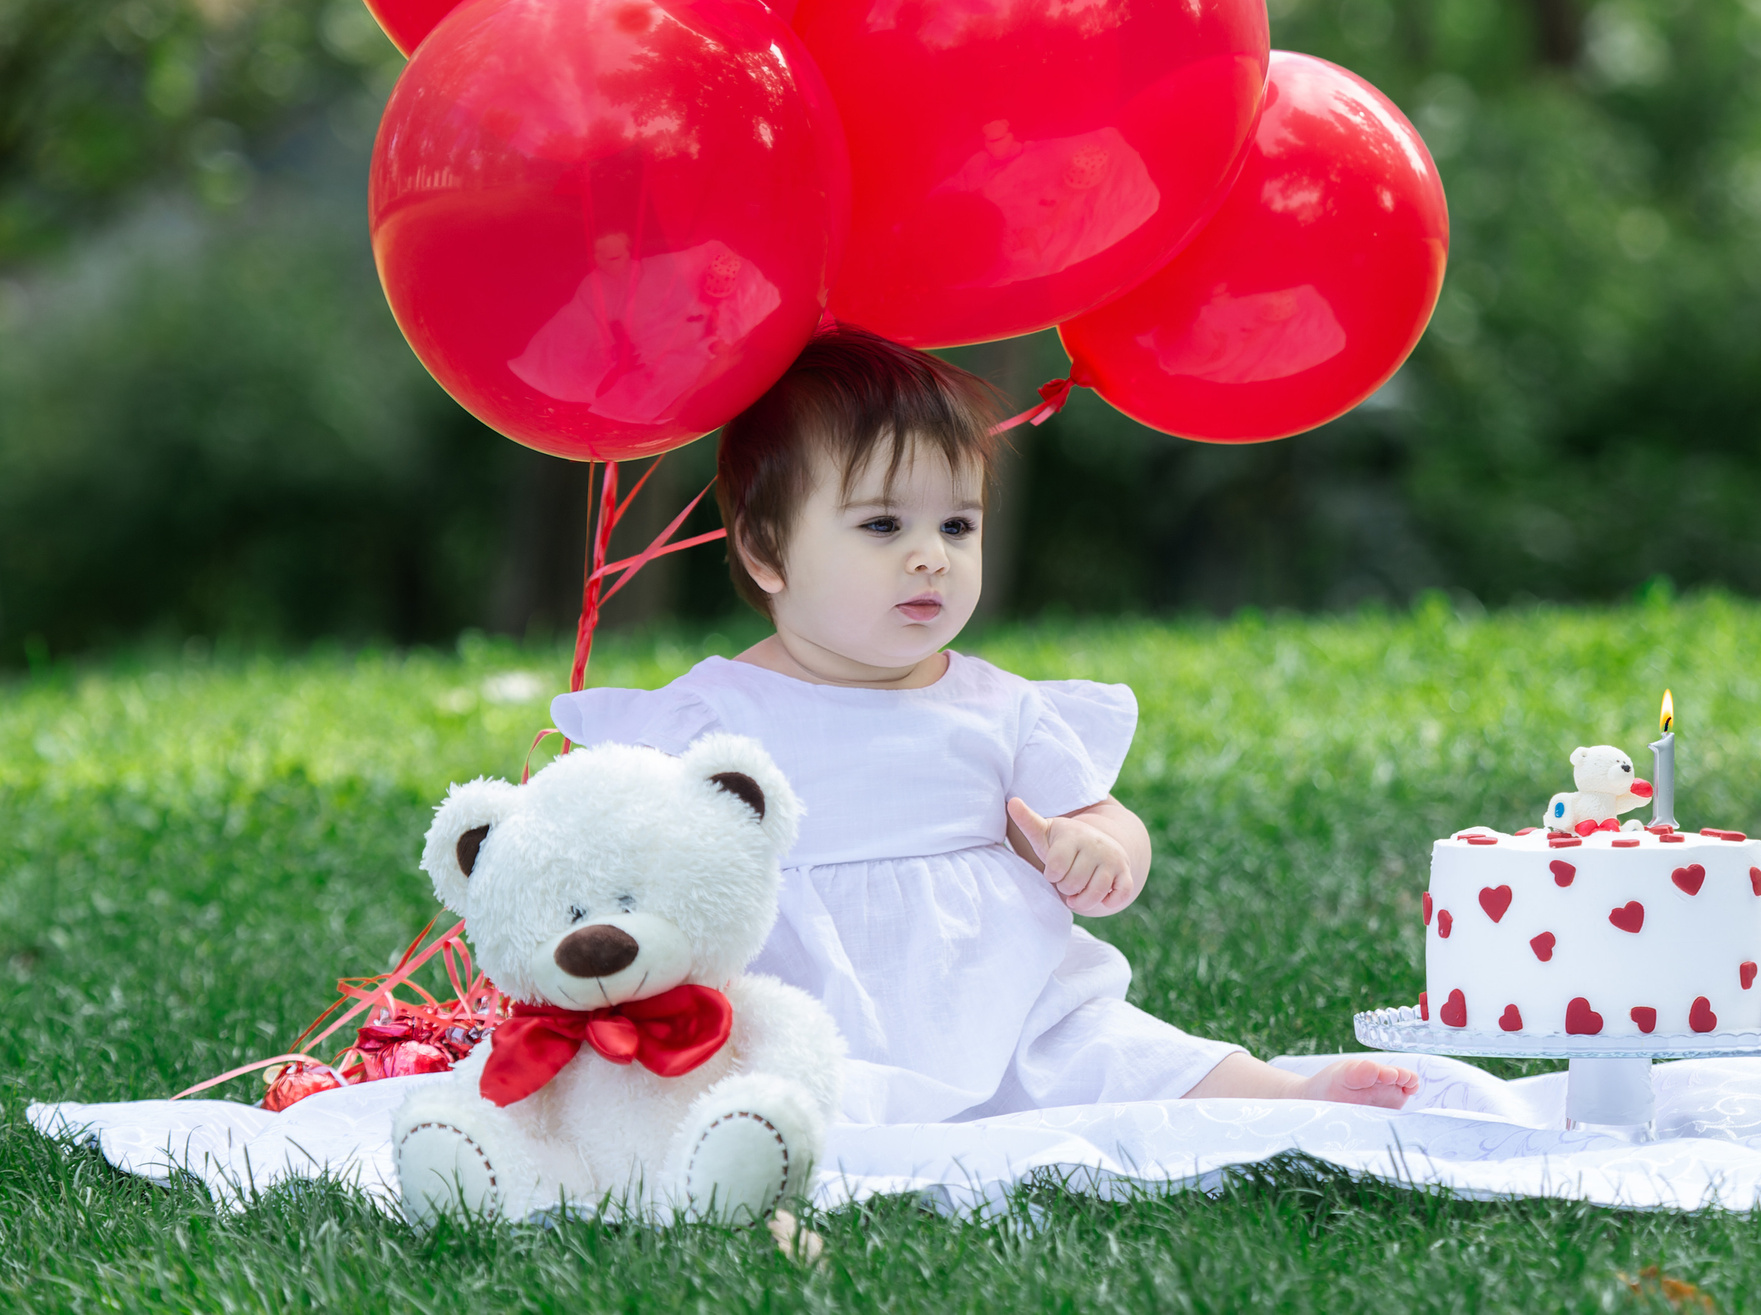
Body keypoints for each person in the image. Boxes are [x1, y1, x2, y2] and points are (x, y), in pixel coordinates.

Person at [551, 324, 1420, 1124]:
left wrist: (1104, 851)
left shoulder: (996, 706)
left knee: (1107, 1047)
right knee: (735, 1083)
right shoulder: (714, 715)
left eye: (957, 524)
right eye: (883, 523)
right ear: (766, 549)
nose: (931, 554)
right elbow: (618, 839)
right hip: (807, 1010)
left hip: (1002, 1002)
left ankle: (1277, 1094)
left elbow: (1095, 812)